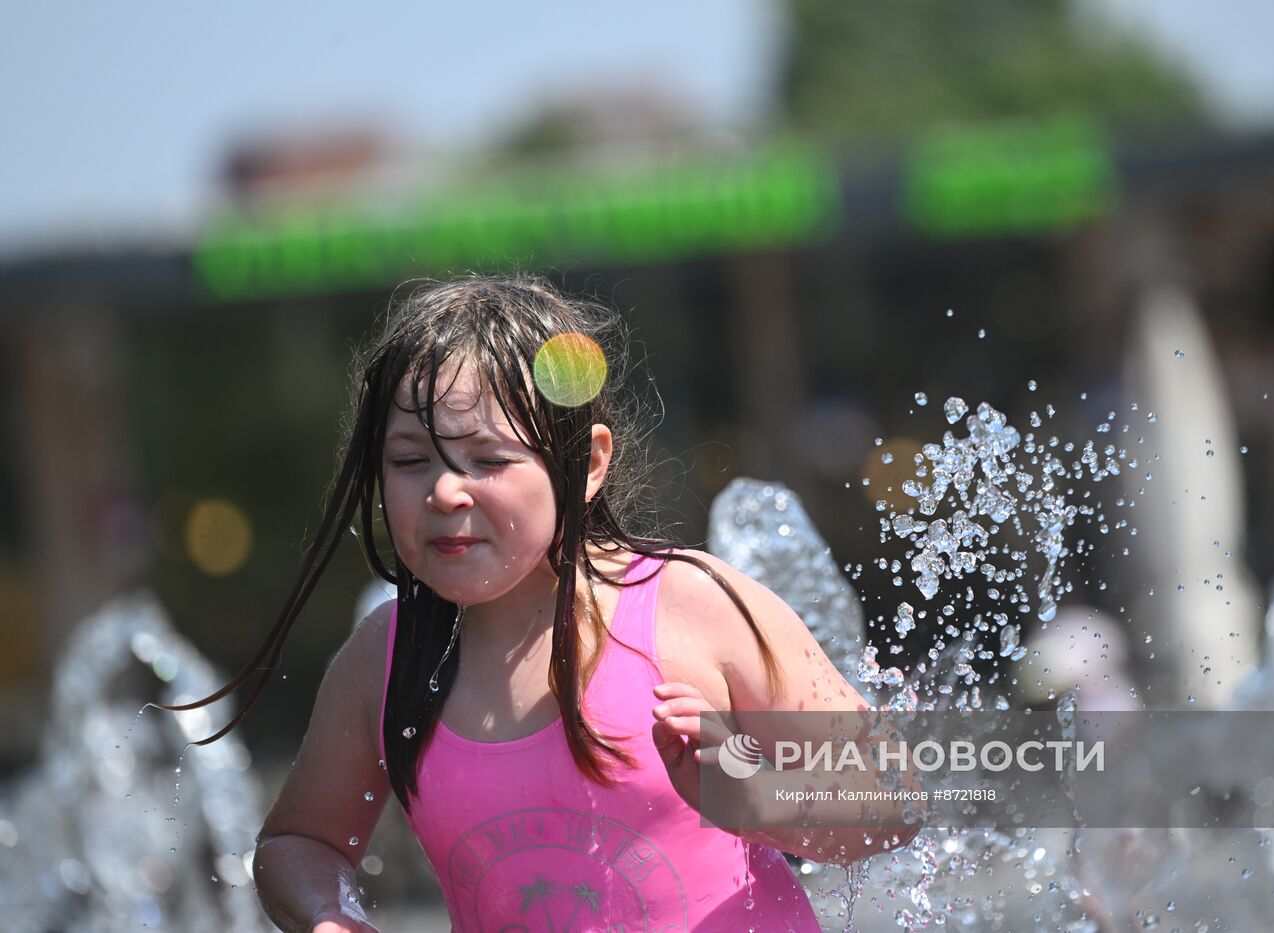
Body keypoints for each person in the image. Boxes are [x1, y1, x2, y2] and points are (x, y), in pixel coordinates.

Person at [158, 276, 910, 932]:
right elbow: (300, 843)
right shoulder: (383, 661)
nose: (445, 491)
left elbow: (894, 803)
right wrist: (332, 915)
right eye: (411, 461)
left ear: (585, 464)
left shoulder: (695, 609)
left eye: (487, 459)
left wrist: (756, 795)